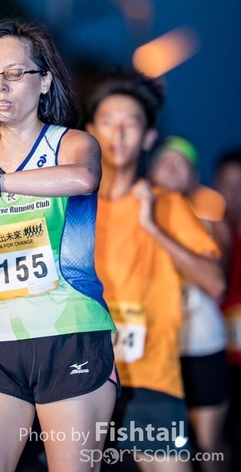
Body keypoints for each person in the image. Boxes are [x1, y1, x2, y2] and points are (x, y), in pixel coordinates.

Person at [0, 18, 119, 472]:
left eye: (15, 73)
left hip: (69, 334)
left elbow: (84, 178)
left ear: (45, 81)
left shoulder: (72, 144)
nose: (0, 85)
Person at [85, 67, 225, 472]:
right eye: (108, 122)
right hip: (82, 379)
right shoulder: (73, 205)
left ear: (148, 137)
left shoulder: (167, 205)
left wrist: (152, 227)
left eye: (131, 124)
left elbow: (215, 283)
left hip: (152, 381)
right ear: (91, 131)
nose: (118, 133)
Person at [148, 136, 231, 472]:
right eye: (164, 160)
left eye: (181, 163)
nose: (172, 167)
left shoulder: (210, 220)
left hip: (200, 344)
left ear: (194, 176)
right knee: (164, 447)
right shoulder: (135, 214)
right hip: (155, 351)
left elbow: (219, 282)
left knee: (207, 446)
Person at [214, 150, 241, 472]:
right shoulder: (207, 233)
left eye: (240, 185)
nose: (233, 194)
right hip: (218, 353)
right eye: (226, 184)